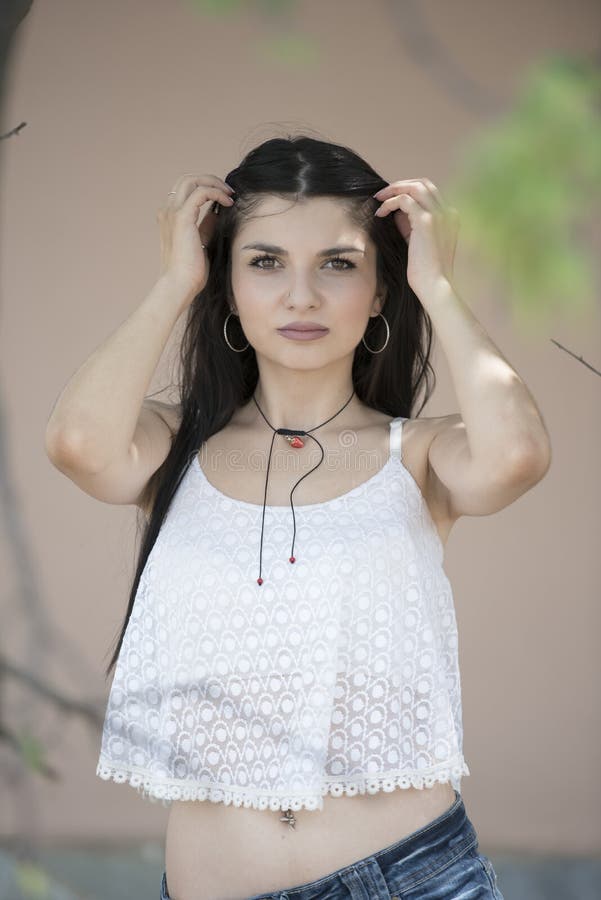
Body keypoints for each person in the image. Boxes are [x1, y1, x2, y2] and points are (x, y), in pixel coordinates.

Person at [45, 135, 551, 900]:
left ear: (380, 289)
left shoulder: (417, 454)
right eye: (265, 262)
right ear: (227, 284)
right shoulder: (172, 445)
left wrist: (437, 284)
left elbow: (515, 457)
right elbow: (78, 445)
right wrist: (176, 281)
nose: (301, 296)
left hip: (410, 878)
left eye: (338, 264)